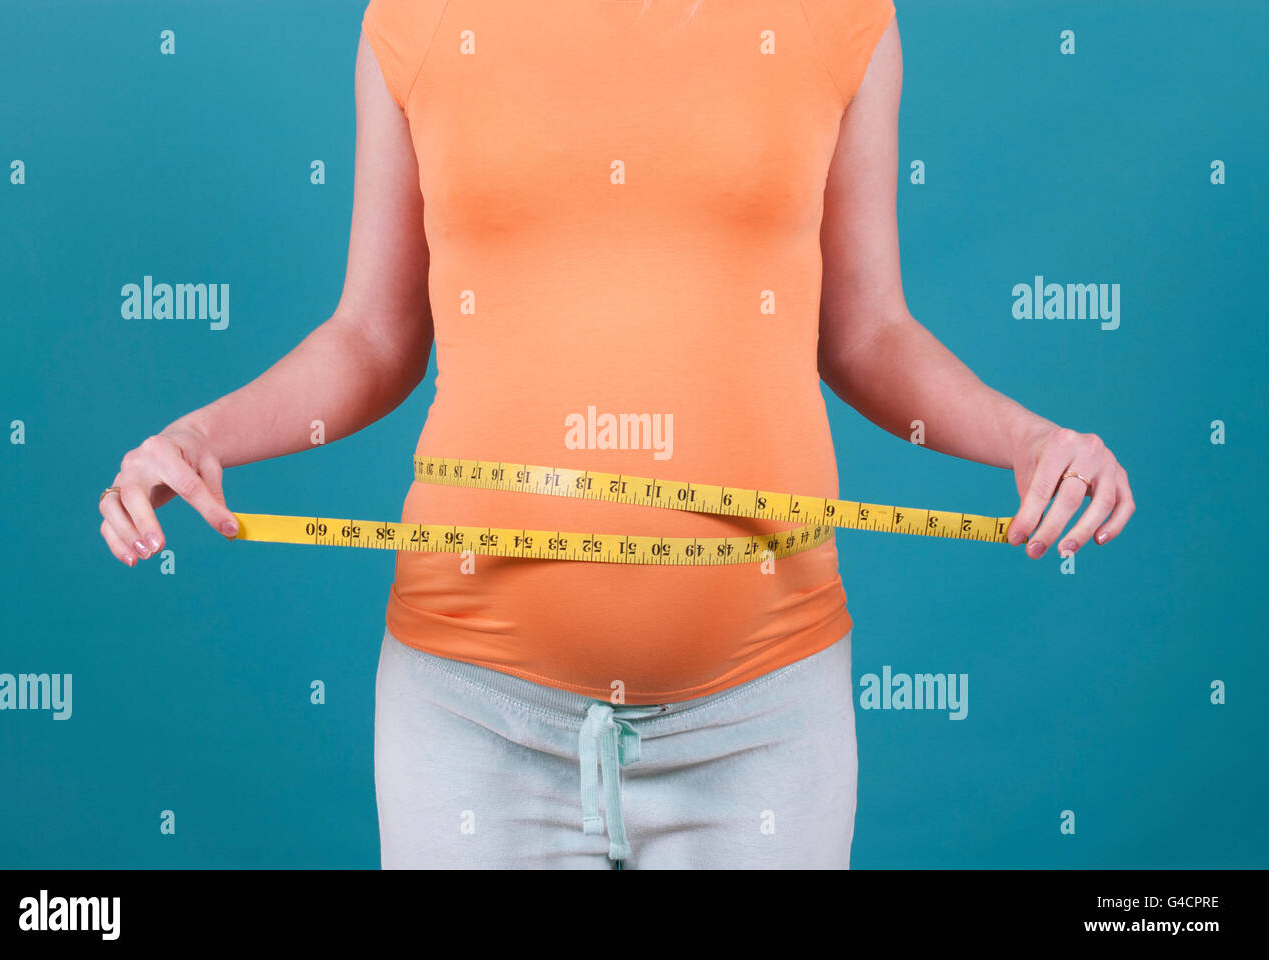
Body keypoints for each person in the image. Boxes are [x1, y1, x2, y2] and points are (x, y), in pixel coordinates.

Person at [97, 0, 1134, 869]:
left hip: (763, 722)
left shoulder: (837, 13)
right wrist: (203, 433)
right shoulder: (417, 17)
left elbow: (867, 330)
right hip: (468, 717)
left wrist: (1027, 438)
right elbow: (372, 337)